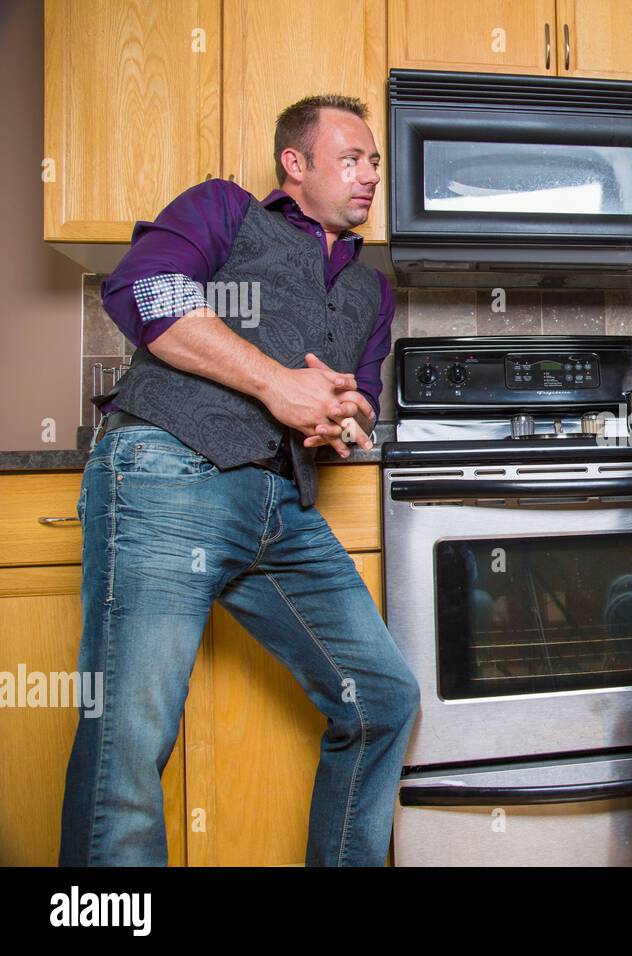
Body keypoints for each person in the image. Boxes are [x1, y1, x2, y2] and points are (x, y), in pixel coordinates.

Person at [60, 94, 422, 866]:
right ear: (295, 164)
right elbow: (144, 292)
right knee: (129, 738)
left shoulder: (372, 288)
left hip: (283, 507)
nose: (369, 178)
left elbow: (360, 404)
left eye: (375, 164)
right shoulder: (224, 209)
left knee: (382, 698)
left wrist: (342, 415)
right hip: (167, 472)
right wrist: (275, 385)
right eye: (351, 159)